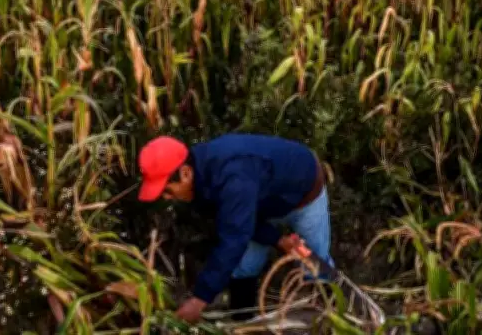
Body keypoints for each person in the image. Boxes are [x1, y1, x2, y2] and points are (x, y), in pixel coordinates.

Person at [136, 133, 334, 324]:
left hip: (303, 193)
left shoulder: (233, 177)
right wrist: (277, 239)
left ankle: (335, 319)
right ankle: (242, 324)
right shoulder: (201, 182)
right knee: (245, 267)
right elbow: (239, 220)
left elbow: (234, 238)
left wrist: (199, 300)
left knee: (314, 266)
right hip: (260, 203)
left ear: (185, 173)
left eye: (167, 190)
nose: (167, 197)